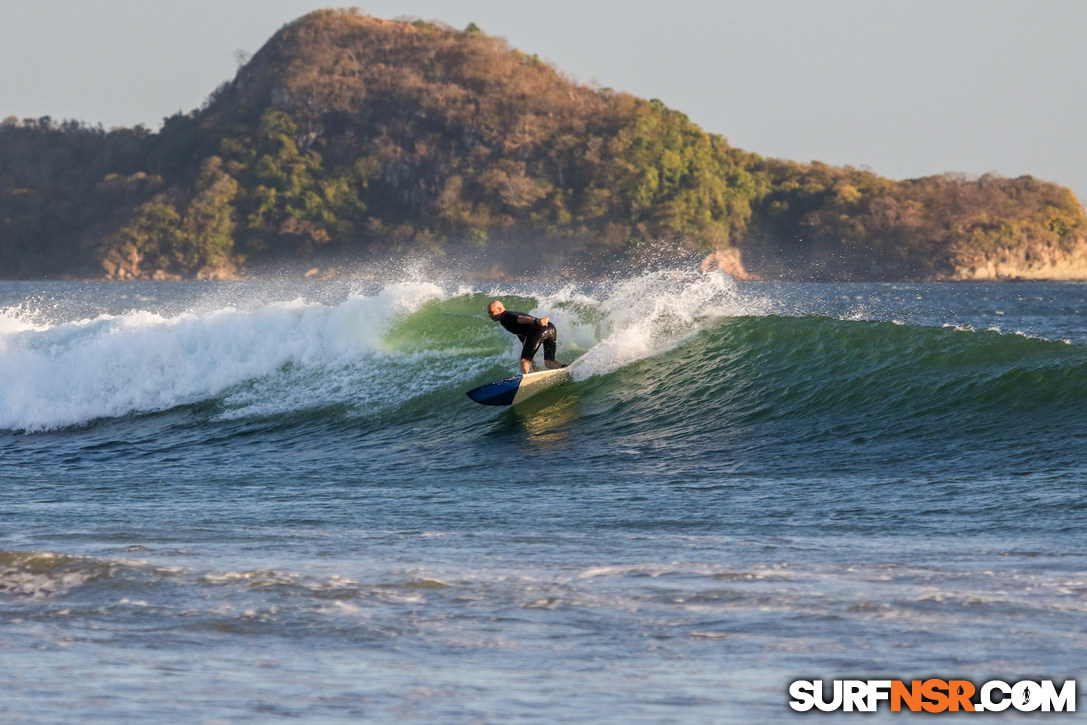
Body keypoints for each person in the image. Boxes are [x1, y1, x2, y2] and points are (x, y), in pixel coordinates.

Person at [487, 299, 566, 374]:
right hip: (550, 327)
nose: (489, 315)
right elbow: (527, 344)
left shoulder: (505, 317)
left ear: (500, 308)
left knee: (524, 361)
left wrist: (537, 321)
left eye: (491, 312)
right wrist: (532, 362)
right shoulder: (512, 322)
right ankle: (568, 370)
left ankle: (525, 379)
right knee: (549, 362)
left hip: (539, 329)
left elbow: (521, 319)